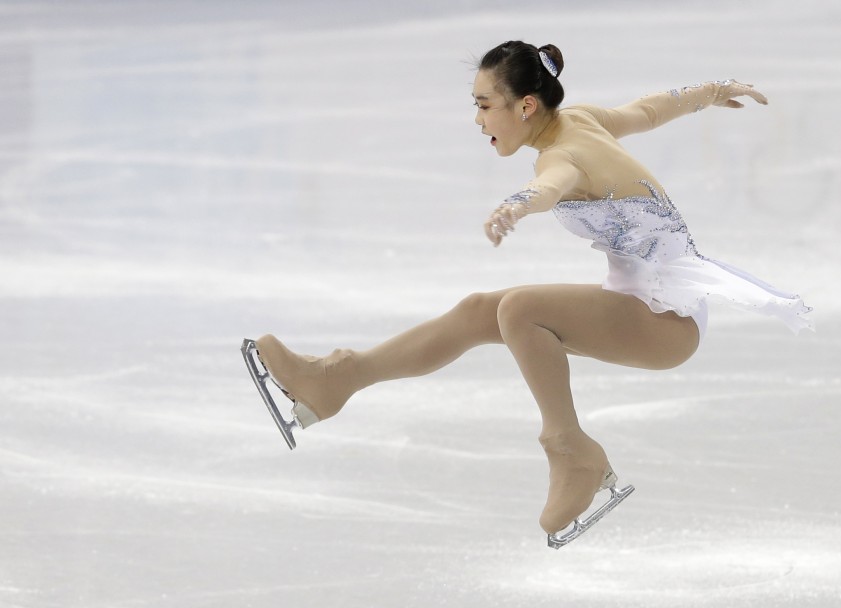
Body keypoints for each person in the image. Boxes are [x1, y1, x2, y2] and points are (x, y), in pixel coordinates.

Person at [248, 40, 812, 541]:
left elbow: (551, 186)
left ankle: (572, 451)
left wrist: (517, 205)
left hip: (666, 323)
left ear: (525, 105)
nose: (477, 119)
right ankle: (337, 379)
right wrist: (711, 91)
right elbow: (647, 110)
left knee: (521, 309)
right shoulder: (582, 120)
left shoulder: (562, 153)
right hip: (643, 303)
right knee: (479, 313)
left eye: (483, 104)